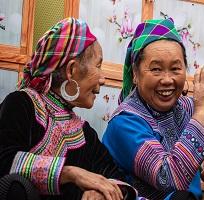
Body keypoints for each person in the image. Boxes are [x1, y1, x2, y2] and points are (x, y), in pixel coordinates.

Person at [102, 18, 204, 200]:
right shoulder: (124, 122)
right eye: (156, 69)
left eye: (175, 69)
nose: (167, 79)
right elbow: (169, 178)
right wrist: (203, 110)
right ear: (135, 73)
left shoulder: (186, 107)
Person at [0, 17, 138, 200]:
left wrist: (101, 192)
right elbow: (4, 161)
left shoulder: (85, 134)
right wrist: (70, 173)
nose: (103, 79)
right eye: (98, 65)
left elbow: (118, 179)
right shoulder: (21, 104)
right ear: (71, 70)